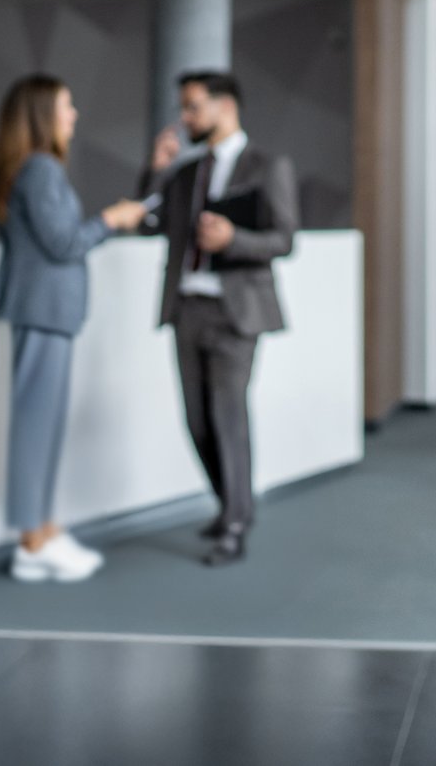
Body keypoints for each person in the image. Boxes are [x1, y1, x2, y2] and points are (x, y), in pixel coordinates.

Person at [0, 73, 147, 583]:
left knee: (46, 424)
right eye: (66, 106)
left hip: (48, 313)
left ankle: (42, 529)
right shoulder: (40, 171)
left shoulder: (35, 170)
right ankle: (32, 541)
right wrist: (112, 221)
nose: (74, 115)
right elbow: (63, 243)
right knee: (37, 426)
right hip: (42, 311)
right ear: (42, 115)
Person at [140, 71, 300, 566]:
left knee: (228, 418)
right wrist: (155, 173)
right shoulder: (187, 172)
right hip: (187, 308)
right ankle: (233, 504)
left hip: (237, 314)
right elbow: (148, 223)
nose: (185, 117)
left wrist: (232, 239)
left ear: (224, 106)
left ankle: (234, 523)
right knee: (197, 422)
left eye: (192, 107)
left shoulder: (268, 165)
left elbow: (284, 240)